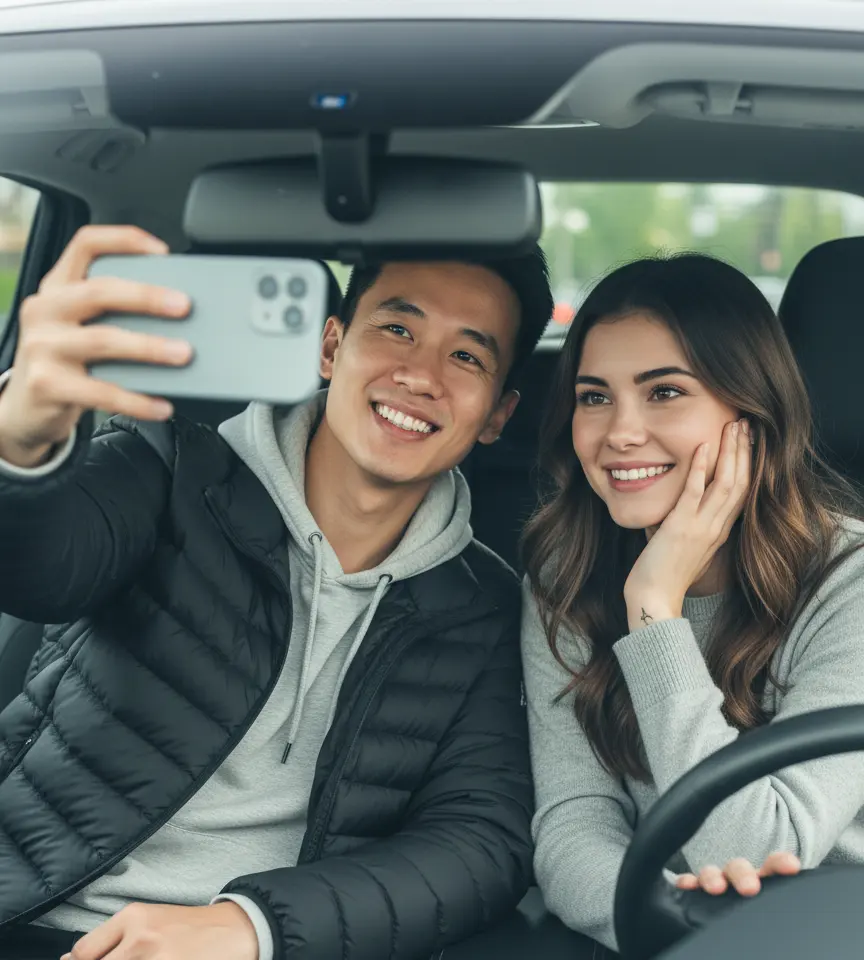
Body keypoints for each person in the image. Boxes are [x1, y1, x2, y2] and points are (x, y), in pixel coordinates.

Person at [0, 225, 554, 960]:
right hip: (43, 916)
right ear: (331, 348)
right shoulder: (166, 469)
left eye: (466, 355)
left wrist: (252, 927)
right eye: (396, 328)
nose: (421, 376)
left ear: (497, 416)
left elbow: (479, 840)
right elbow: (36, 565)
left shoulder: (486, 605)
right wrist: (18, 442)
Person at [520, 253, 864, 955]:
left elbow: (768, 845)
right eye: (594, 397)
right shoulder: (566, 570)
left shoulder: (850, 582)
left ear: (751, 411)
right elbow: (573, 823)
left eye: (665, 392)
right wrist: (667, 920)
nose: (620, 431)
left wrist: (654, 605)